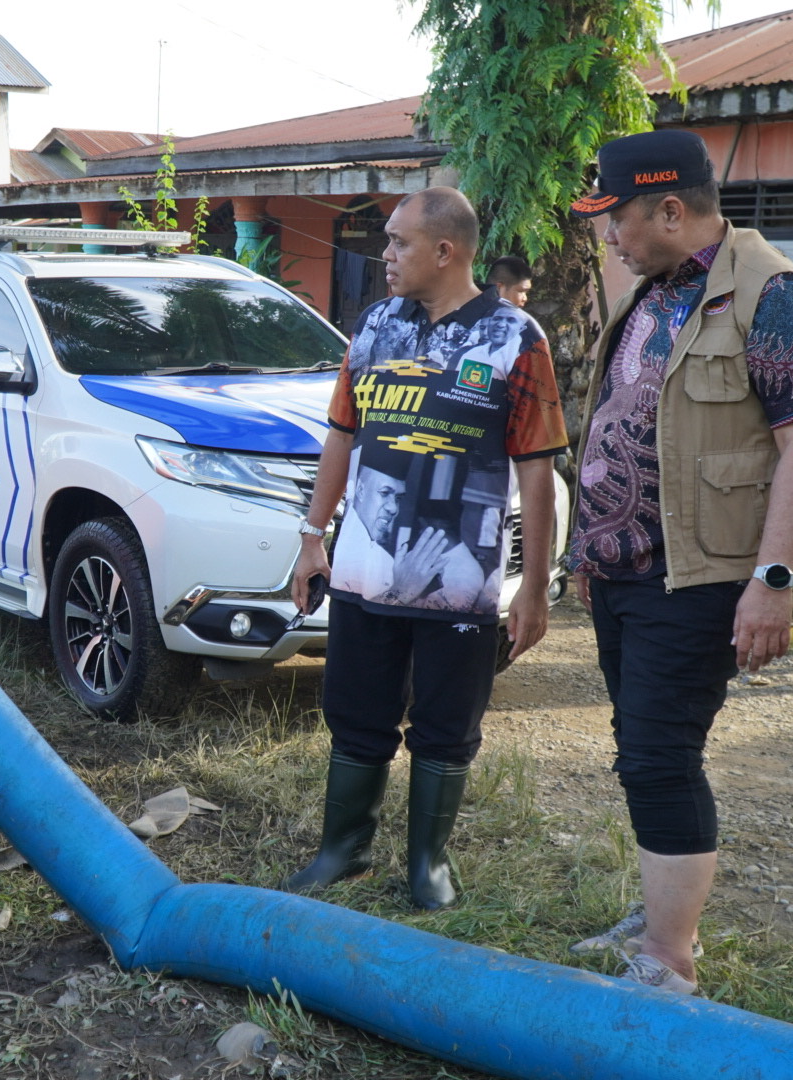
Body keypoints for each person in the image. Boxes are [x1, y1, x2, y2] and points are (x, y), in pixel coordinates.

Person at [566, 130, 793, 994]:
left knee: (660, 753)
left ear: (670, 209)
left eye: (616, 219)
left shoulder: (776, 297)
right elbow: (621, 414)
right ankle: (657, 918)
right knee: (637, 743)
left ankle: (668, 960)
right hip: (626, 572)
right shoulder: (656, 292)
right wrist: (591, 545)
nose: (609, 237)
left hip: (702, 577)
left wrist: (774, 579)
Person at [285, 186, 567, 910]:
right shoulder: (374, 326)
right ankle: (342, 849)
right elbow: (341, 438)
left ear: (445, 252)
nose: (385, 255)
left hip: (460, 580)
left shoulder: (516, 339)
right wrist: (312, 540)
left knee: (446, 729)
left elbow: (537, 470)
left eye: (399, 242)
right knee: (355, 713)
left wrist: (533, 586)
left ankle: (427, 866)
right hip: (364, 568)